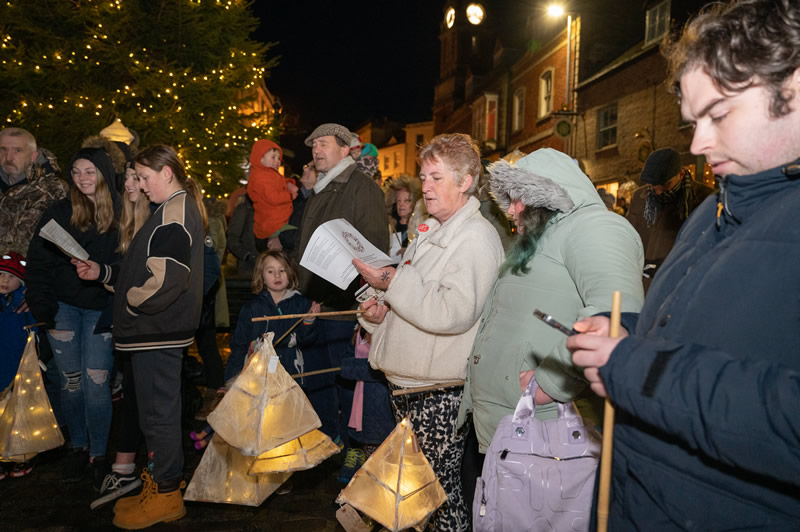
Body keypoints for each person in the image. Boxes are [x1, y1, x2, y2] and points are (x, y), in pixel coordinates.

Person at [566, 0, 800, 528]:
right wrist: (625, 332)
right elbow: (701, 337)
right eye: (694, 122)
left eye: (718, 115)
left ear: (793, 88)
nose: (697, 144)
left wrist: (630, 367)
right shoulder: (715, 208)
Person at [457, 148, 645, 507]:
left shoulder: (596, 227)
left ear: (545, 195)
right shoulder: (539, 238)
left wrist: (550, 381)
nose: (511, 210)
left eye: (518, 199)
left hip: (542, 422)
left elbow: (616, 316)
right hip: (505, 420)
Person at [354, 133, 504, 531]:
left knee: (439, 495)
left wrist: (392, 284)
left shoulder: (475, 238)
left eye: (437, 177)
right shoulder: (432, 231)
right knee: (418, 494)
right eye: (424, 177)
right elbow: (414, 299)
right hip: (410, 387)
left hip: (438, 392)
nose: (426, 186)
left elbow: (450, 312)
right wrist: (379, 313)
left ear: (466, 181)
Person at [76, 145, 205, 528]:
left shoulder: (175, 212)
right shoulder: (170, 210)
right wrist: (104, 274)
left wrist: (132, 305)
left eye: (145, 177)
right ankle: (161, 484)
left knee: (159, 415)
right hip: (156, 332)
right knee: (154, 415)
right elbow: (143, 268)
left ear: (167, 173)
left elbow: (166, 279)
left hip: (157, 331)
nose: (141, 186)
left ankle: (167, 495)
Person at [25, 148, 120, 489]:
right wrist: (41, 306)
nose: (82, 178)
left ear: (105, 174)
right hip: (63, 308)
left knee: (96, 387)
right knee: (70, 383)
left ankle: (98, 454)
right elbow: (38, 262)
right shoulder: (59, 211)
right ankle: (77, 448)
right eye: (77, 171)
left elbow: (131, 267)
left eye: (90, 171)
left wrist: (103, 272)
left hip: (101, 310)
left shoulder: (123, 213)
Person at [297, 123, 389, 455]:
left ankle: (354, 450)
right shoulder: (324, 187)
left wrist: (360, 302)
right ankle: (331, 443)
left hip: (345, 307)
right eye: (313, 146)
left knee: (348, 381)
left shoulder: (362, 188)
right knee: (322, 381)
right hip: (318, 303)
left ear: (345, 149)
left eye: (323, 144)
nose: (316, 151)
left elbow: (375, 251)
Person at [626, 147, 713, 291]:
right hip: (641, 283)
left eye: (666, 185)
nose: (659, 192)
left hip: (679, 283)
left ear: (681, 174)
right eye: (654, 186)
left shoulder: (705, 199)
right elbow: (629, 236)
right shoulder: (640, 197)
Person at [226, 250, 319, 382]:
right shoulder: (251, 309)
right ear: (262, 276)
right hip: (258, 378)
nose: (277, 275)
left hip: (290, 377)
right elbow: (238, 346)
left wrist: (309, 321)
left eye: (282, 270)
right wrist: (231, 379)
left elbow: (306, 341)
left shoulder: (301, 304)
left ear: (290, 273)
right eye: (270, 271)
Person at [0, 127, 69, 256]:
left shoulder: (54, 190)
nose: (8, 157)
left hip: (29, 272)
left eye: (17, 150)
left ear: (34, 156)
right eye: (3, 149)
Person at [0, 251, 37, 479]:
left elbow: (36, 329)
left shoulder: (25, 304)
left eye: (10, 277)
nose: (4, 281)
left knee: (20, 413)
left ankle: (21, 455)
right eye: (1, 274)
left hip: (19, 366)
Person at [246, 139, 298, 252]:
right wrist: (289, 195)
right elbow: (272, 197)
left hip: (278, 222)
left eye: (279, 158)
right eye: (273, 157)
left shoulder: (269, 173)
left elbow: (278, 184)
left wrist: (289, 183)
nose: (277, 161)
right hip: (272, 226)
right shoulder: (260, 177)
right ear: (260, 158)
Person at [384, 174, 421, 262]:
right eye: (398, 201)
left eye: (407, 201)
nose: (401, 205)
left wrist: (409, 252)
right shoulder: (388, 225)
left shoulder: (420, 226)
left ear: (415, 202)